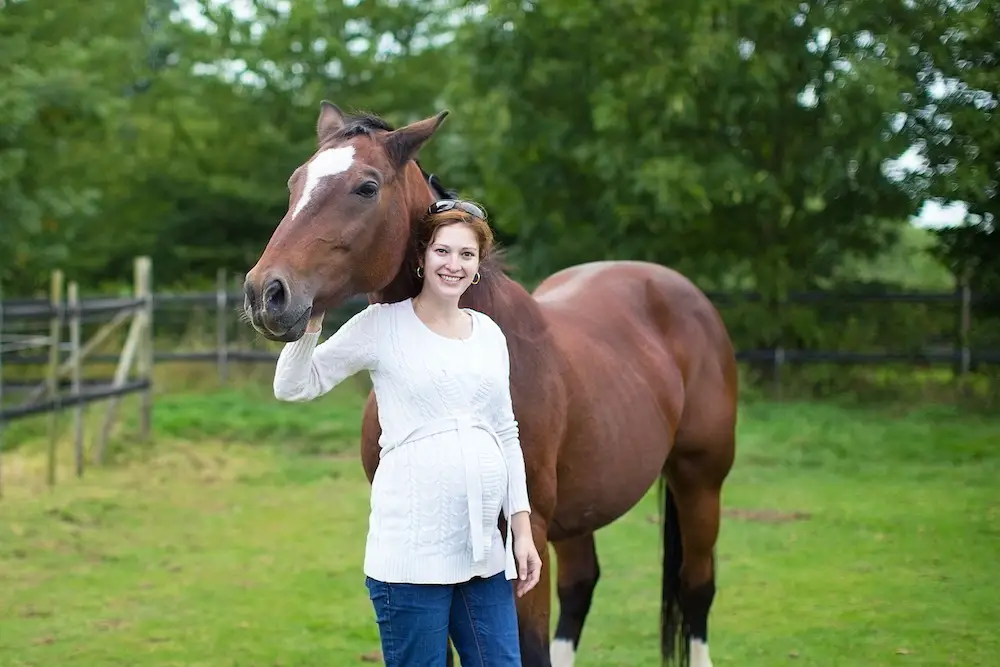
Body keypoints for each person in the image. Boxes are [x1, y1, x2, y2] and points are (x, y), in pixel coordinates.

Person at [271, 198, 542, 666]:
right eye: (443, 251)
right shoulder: (382, 327)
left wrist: (521, 530)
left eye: (466, 255)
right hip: (410, 562)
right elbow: (294, 385)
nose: (453, 265)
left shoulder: (489, 335)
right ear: (422, 258)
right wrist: (311, 320)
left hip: (483, 557)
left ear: (478, 267)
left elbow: (505, 431)